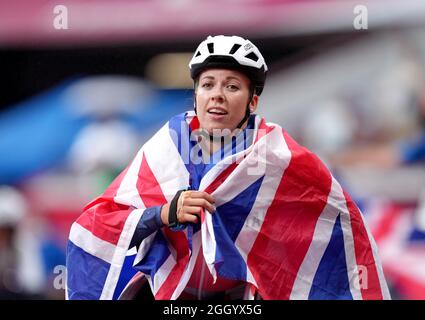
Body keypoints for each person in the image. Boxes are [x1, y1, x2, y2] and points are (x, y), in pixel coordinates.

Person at [66, 35, 390, 300]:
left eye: (232, 86)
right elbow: (96, 225)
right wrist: (164, 213)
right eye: (208, 85)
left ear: (253, 102)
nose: (217, 96)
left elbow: (342, 235)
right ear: (195, 95)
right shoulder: (165, 147)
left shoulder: (284, 158)